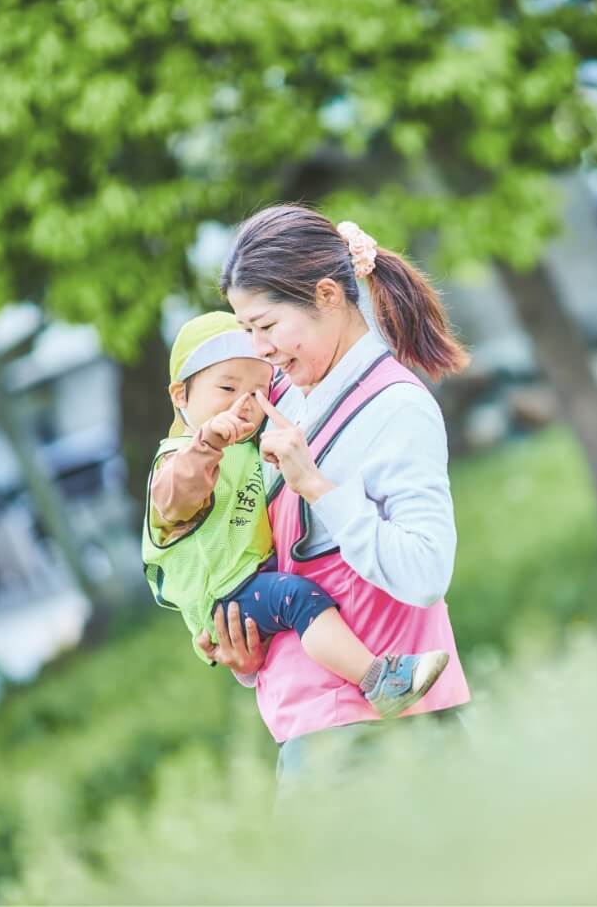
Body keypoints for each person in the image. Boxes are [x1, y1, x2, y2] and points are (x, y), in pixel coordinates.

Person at [195, 206, 472, 784]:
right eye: (245, 329)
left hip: (392, 741)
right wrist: (248, 653)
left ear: (326, 294)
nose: (258, 348)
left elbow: (425, 571)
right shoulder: (282, 398)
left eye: (266, 326)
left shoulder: (397, 407)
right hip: (311, 735)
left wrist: (316, 486)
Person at [142, 311, 450, 718]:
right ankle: (379, 679)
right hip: (226, 595)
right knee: (298, 599)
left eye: (256, 394)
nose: (242, 405)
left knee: (294, 596)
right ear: (180, 395)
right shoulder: (178, 461)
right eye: (227, 388)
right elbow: (176, 498)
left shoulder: (253, 441)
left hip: (255, 582)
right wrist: (208, 441)